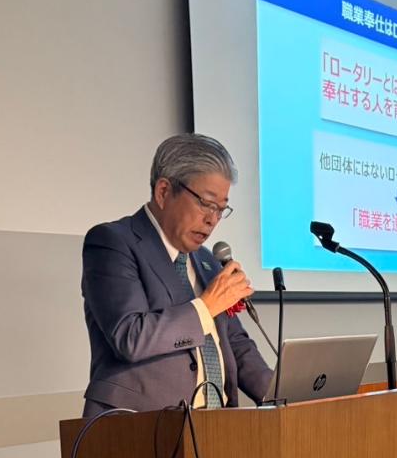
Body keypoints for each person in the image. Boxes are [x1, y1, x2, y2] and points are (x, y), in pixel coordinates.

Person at [81, 134, 272, 417]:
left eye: (221, 209)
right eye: (206, 203)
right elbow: (130, 336)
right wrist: (206, 306)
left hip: (219, 428)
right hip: (138, 426)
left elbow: (236, 345)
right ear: (163, 192)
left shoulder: (207, 260)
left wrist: (283, 396)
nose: (212, 219)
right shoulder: (112, 243)